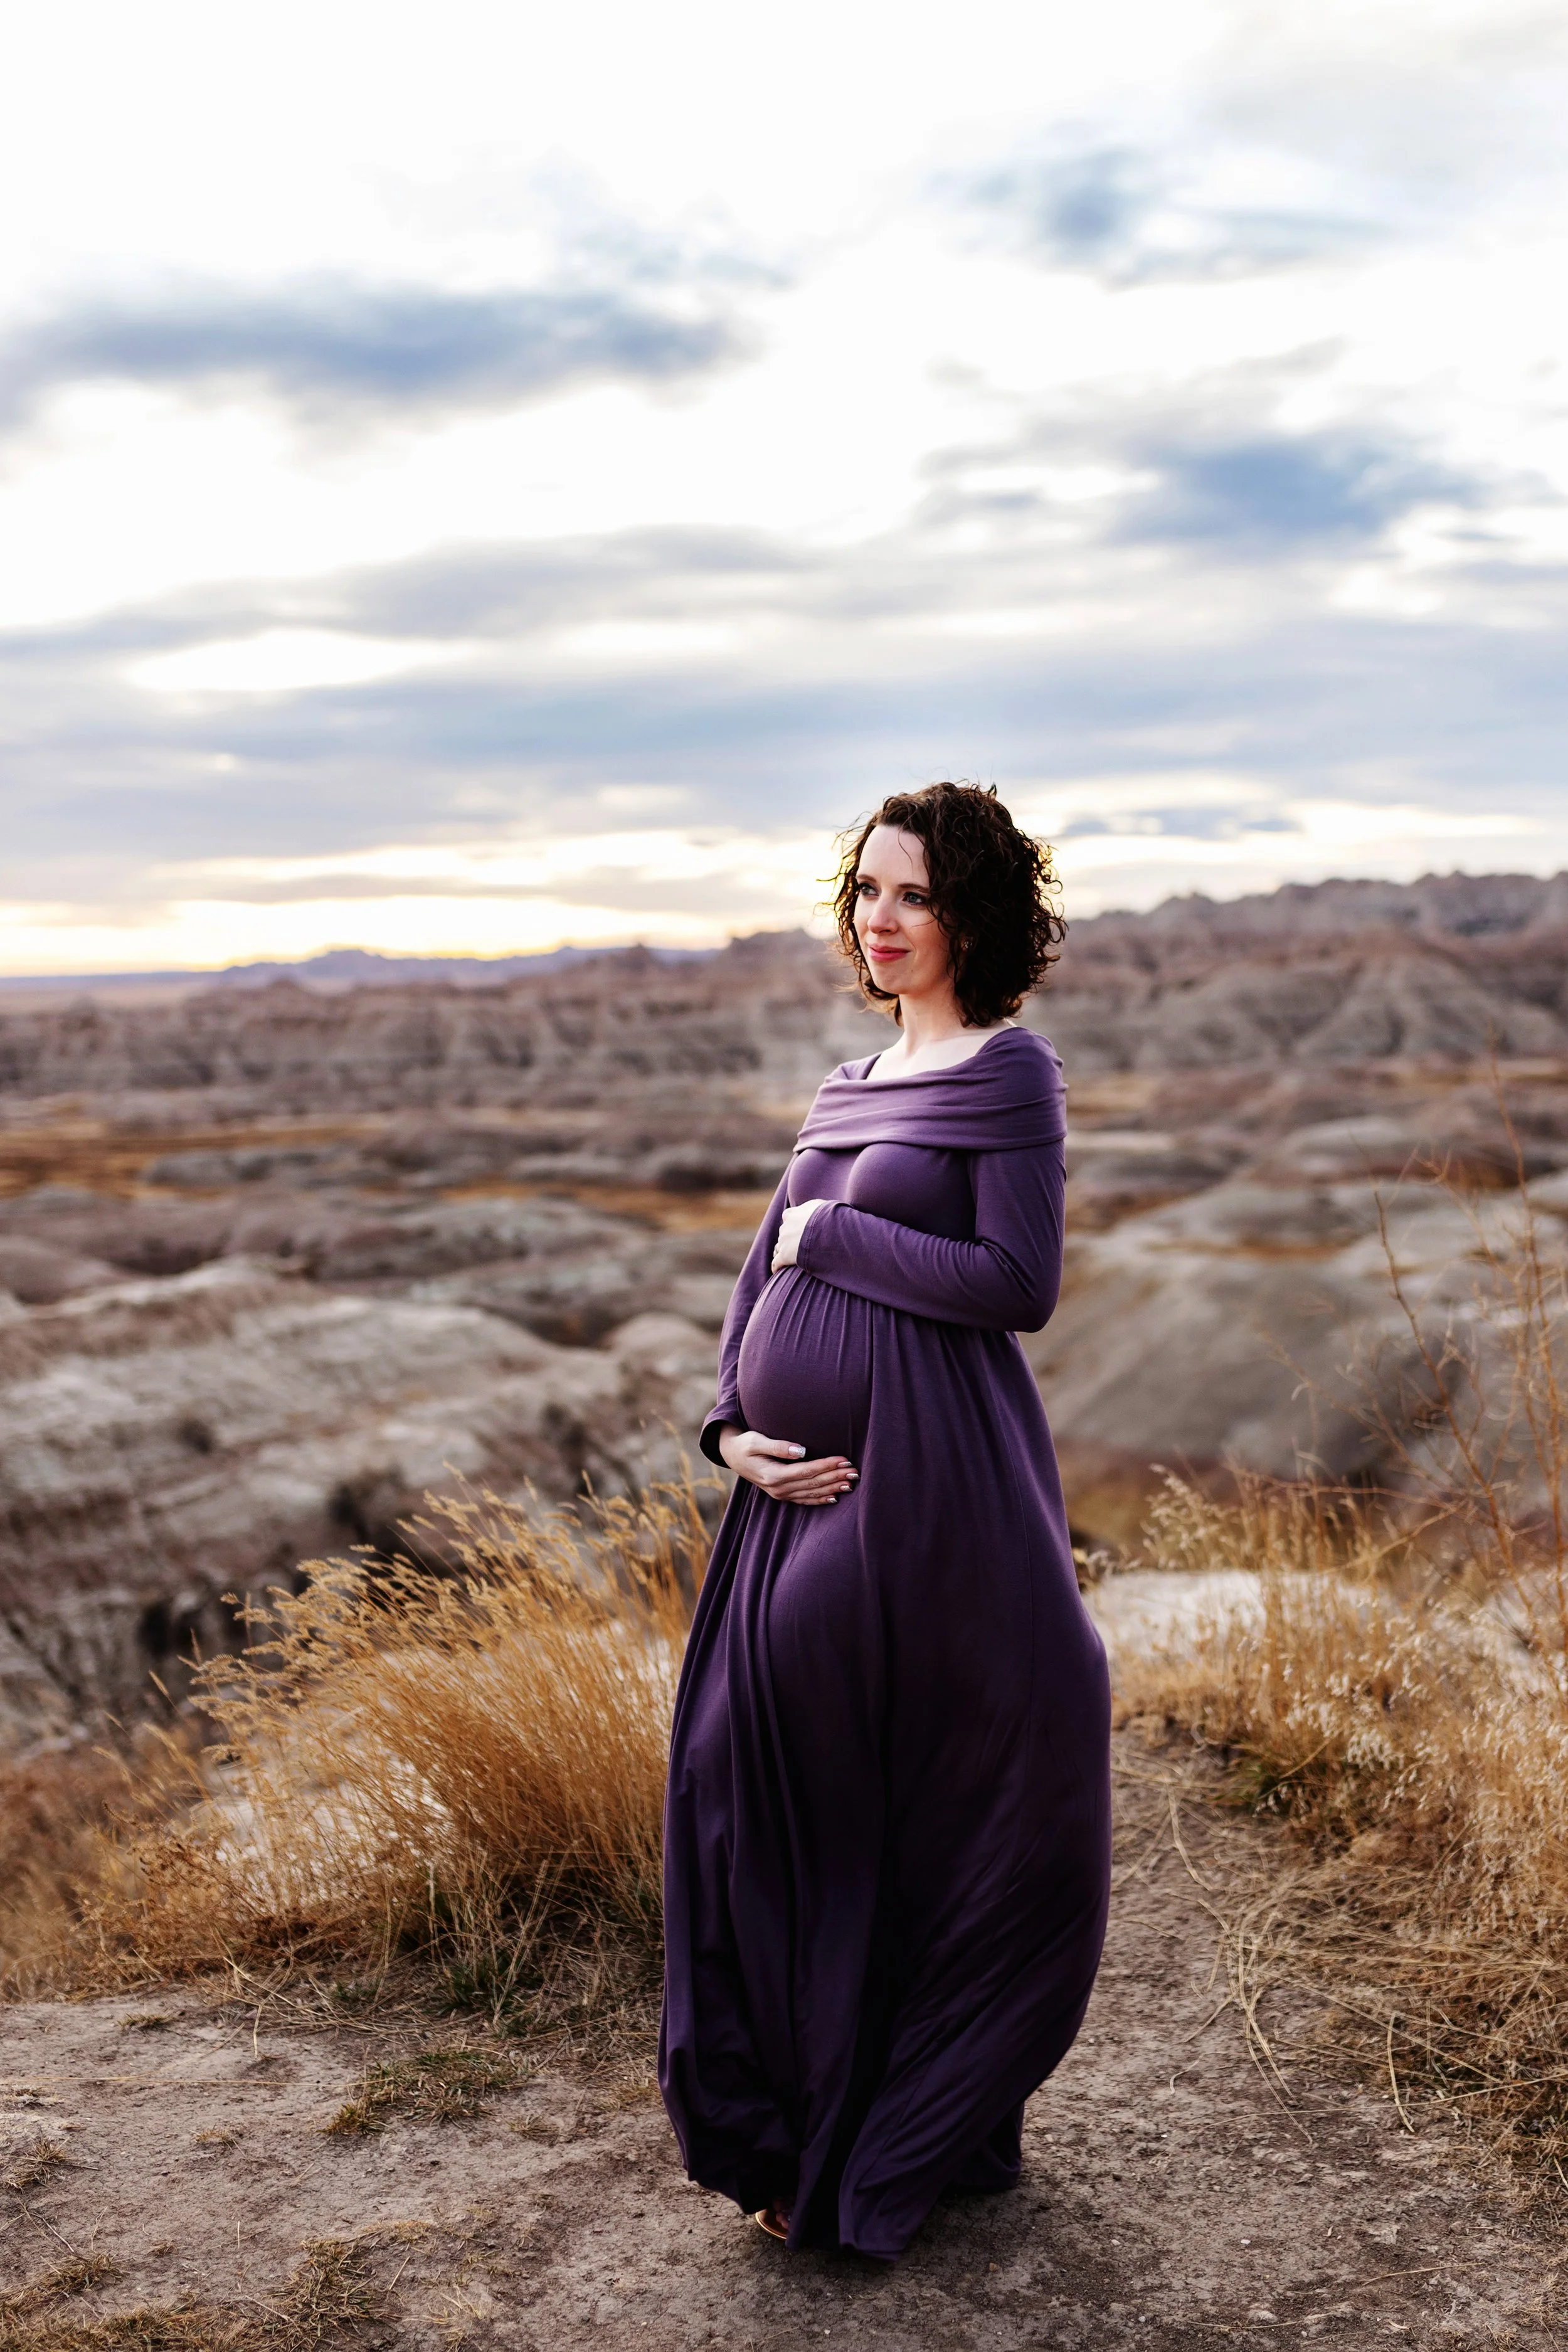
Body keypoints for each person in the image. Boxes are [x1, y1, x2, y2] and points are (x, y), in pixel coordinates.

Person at [659, 781, 1111, 2262]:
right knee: (751, 1780)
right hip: (786, 1502)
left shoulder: (1009, 1074)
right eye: (864, 891)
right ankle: (804, 2120)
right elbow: (753, 1281)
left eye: (910, 893)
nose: (880, 918)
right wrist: (728, 1431)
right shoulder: (847, 1081)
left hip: (924, 1488)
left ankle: (881, 2134)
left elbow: (1014, 1284)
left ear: (971, 910)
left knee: (892, 1805)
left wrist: (834, 1235)